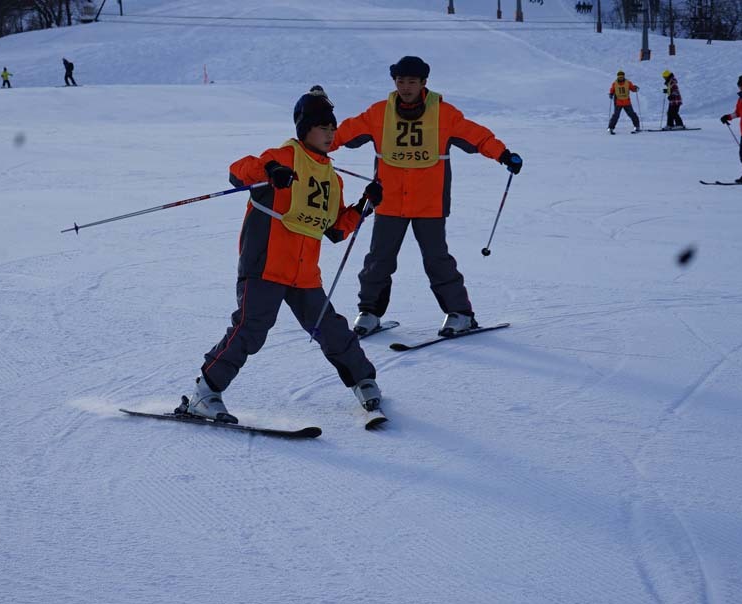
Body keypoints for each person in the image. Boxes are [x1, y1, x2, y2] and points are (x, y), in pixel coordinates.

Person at [176, 87, 384, 422]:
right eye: (322, 127)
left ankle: (363, 380)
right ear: (305, 129)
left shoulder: (331, 178)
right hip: (265, 263)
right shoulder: (284, 156)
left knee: (331, 329)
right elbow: (238, 169)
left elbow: (334, 230)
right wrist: (270, 170)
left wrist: (364, 206)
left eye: (332, 128)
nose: (330, 134)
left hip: (304, 274)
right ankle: (205, 392)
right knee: (251, 329)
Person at [330, 55, 522, 337]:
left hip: (429, 203)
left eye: (412, 82)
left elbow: (477, 137)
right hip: (389, 201)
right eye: (400, 81)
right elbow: (341, 135)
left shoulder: (444, 114)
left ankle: (460, 314)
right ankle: (369, 312)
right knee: (378, 260)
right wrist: (309, 147)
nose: (405, 87)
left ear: (423, 83)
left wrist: (503, 154)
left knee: (436, 260)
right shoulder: (379, 113)